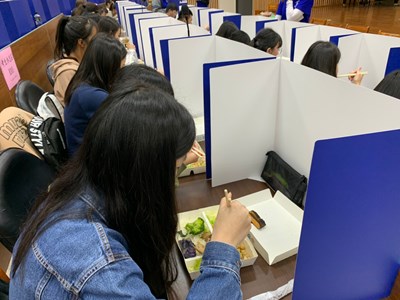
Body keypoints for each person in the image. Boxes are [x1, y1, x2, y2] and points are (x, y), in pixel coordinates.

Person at [10, 83, 251, 299]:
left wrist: (176, 158)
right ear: (145, 170)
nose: (172, 179)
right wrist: (224, 244)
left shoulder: (86, 185)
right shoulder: (96, 260)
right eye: (174, 168)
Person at [63, 33, 127, 156]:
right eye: (120, 68)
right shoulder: (91, 96)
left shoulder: (84, 82)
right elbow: (125, 123)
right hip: (87, 164)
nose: (121, 73)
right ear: (108, 67)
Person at [51, 15, 97, 106]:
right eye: (94, 40)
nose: (97, 43)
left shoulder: (81, 63)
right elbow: (82, 107)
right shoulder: (67, 73)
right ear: (81, 43)